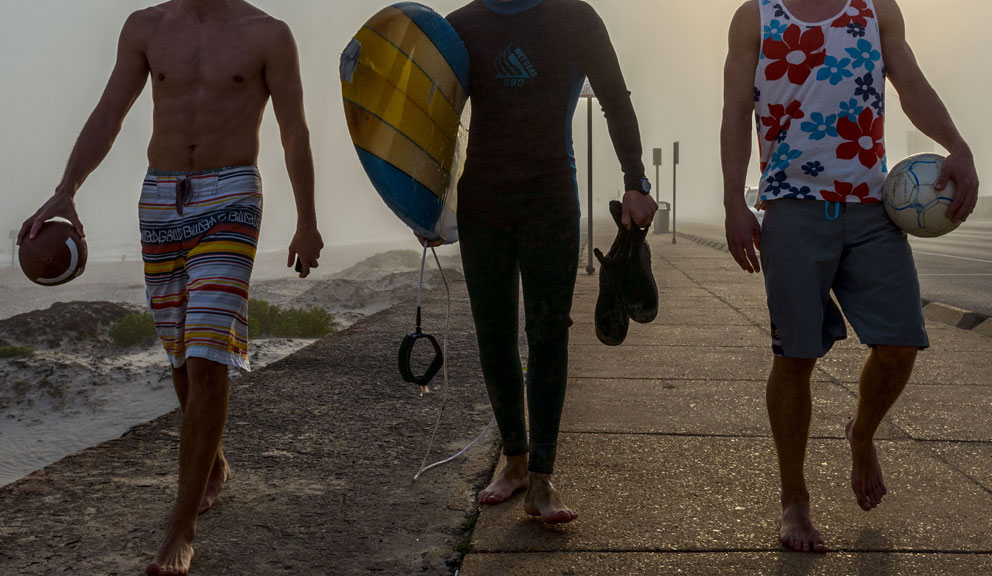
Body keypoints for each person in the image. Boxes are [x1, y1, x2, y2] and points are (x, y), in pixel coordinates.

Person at [17, 1, 323, 573]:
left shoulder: (268, 35)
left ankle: (179, 529)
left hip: (232, 194)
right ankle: (215, 466)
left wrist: (307, 220)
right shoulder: (145, 28)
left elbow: (293, 128)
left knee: (208, 354)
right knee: (181, 352)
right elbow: (110, 111)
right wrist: (66, 189)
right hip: (160, 196)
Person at [721, 0, 979, 553]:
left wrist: (957, 146)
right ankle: (795, 501)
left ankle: (861, 432)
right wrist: (734, 204)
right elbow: (736, 110)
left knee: (901, 341)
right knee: (795, 356)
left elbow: (910, 86)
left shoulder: (875, 10)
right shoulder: (755, 18)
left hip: (870, 207)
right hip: (791, 208)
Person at [430, 0, 657, 524]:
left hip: (550, 196)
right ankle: (512, 463)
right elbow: (437, 119)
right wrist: (427, 203)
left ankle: (542, 477)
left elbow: (615, 100)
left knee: (549, 329)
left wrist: (635, 181)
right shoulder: (460, 27)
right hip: (483, 200)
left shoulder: (576, 17)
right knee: (494, 331)